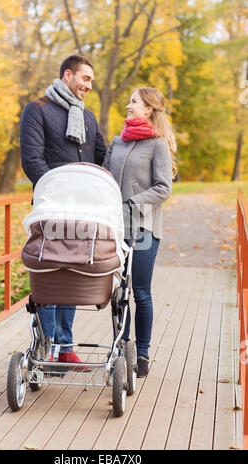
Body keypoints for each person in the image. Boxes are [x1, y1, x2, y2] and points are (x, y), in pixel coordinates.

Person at [20, 54, 107, 366]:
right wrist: (59, 192)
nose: (88, 86)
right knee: (48, 272)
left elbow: (102, 157)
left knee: (72, 272)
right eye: (85, 78)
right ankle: (46, 344)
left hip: (83, 212)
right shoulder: (38, 109)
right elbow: (32, 160)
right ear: (68, 75)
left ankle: (65, 346)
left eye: (91, 81)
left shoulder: (88, 117)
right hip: (50, 209)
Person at [103, 86, 177, 377]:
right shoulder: (117, 141)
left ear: (148, 109)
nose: (127, 105)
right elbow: (106, 179)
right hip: (115, 227)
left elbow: (163, 188)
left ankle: (142, 353)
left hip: (144, 228)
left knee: (141, 292)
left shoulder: (158, 145)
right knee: (118, 293)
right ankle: (122, 348)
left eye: (133, 101)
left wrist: (131, 204)